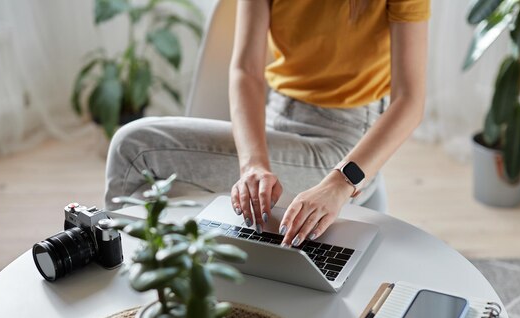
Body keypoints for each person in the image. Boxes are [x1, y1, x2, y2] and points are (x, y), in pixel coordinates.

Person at [105, 0, 429, 248]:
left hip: (344, 141)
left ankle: (119, 277)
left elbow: (409, 101)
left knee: (134, 149)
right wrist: (253, 165)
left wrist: (341, 182)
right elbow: (246, 70)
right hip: (275, 116)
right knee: (141, 170)